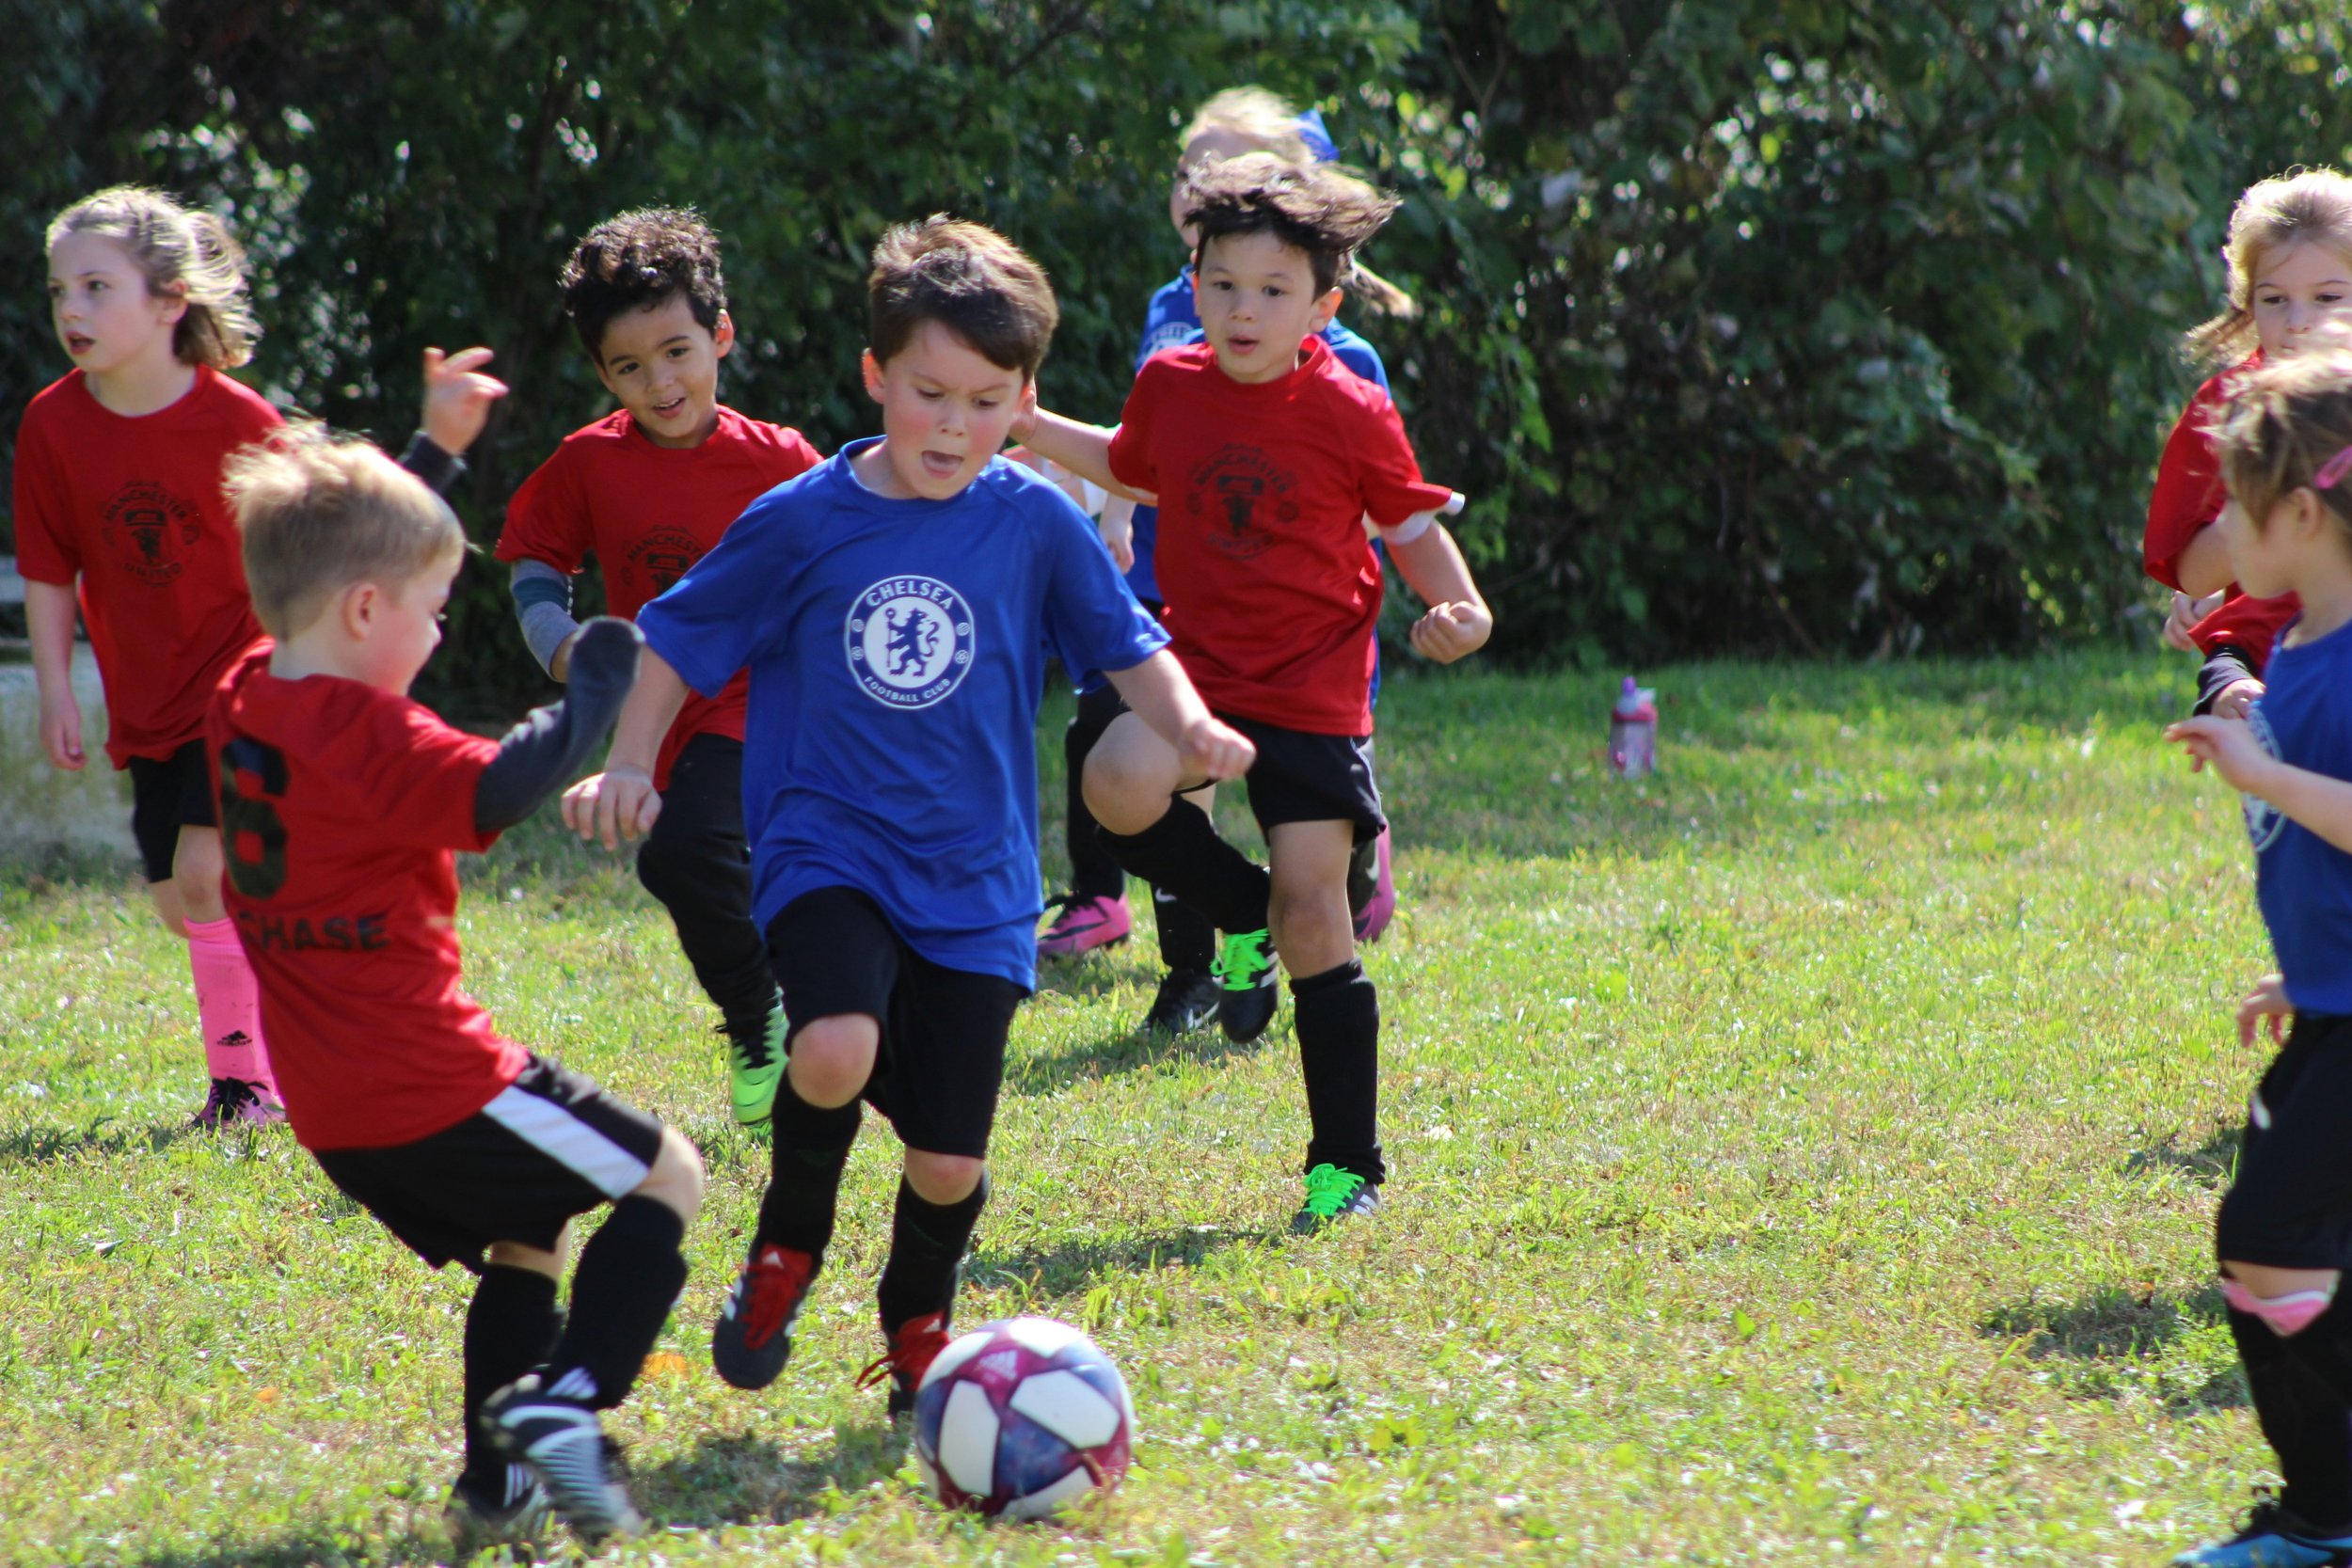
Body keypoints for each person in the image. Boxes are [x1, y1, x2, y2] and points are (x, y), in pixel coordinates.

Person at [561, 216, 1251, 1415]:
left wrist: (1189, 726)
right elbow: (673, 636)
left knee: (949, 1157)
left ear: (1024, 399)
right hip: (826, 841)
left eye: (987, 403)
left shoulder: (1034, 520)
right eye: (928, 392)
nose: (952, 426)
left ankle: (916, 1321)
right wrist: (631, 761)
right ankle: (786, 1245)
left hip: (979, 872)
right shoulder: (803, 514)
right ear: (877, 374)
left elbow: (1129, 644)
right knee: (832, 1046)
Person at [210, 429, 701, 1549]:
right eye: (433, 611)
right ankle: (562, 1403)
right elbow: (506, 785)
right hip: (432, 1081)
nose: (438, 636)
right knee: (668, 1172)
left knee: (531, 1230)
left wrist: (426, 458)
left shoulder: (244, 692)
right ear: (370, 612)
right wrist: (598, 683)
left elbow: (319, 577)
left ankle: (495, 1488)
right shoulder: (383, 737)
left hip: (332, 1113)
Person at [1016, 153, 1492, 1231]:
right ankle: (1240, 910)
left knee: (1320, 911)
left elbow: (1409, 524)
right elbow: (1135, 466)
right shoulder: (1170, 382)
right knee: (1113, 781)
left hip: (1315, 686)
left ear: (1322, 307)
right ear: (1193, 285)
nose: (1244, 308)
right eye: (1223, 284)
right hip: (1201, 674)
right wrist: (1035, 429)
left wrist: (1466, 610)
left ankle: (1344, 1164)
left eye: (1273, 291)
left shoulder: (1350, 405)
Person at [16, 183, 503, 1128]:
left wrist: (433, 444)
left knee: (205, 873)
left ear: (169, 303)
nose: (71, 308)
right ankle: (314, 1012)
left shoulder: (238, 421)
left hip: (248, 683)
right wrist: (55, 690)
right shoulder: (51, 424)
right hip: (148, 702)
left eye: (95, 286)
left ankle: (244, 1091)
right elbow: (48, 564)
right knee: (184, 899)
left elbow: (338, 518)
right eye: (59, 289)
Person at [1038, 87, 1412, 1037]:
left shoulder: (1343, 356)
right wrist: (1116, 517)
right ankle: (1195, 968)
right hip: (1175, 592)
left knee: (1316, 880)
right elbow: (1143, 439)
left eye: (1235, 169)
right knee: (1156, 778)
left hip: (1299, 632)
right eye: (1190, 170)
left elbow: (1376, 502)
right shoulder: (1174, 312)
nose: (1204, 185)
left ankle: (1313, 899)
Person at [496, 207, 821, 1128]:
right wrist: (561, 645)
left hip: (762, 702)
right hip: (658, 708)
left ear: (720, 335)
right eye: (629, 367)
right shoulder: (589, 463)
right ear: (602, 373)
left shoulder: (782, 461)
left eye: (677, 351)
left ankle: (767, 1010)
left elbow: (836, 569)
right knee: (686, 866)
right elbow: (535, 564)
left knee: (683, 850)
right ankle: (767, 1010)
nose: (660, 381)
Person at [2167, 349, 2352, 1568]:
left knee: (2269, 1236)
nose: (2221, 529)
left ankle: (2324, 1518)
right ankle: (2322, 1515)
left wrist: (2265, 771)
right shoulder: (2300, 648)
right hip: (2334, 1011)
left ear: (2300, 513)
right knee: (2271, 1247)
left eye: (2236, 504)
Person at [2147, 168, 2352, 718]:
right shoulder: (2231, 408)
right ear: (2247, 303)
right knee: (2282, 794)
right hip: (2258, 652)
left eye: (2329, 297)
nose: (2299, 322)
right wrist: (2261, 506)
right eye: (2275, 299)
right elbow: (2192, 572)